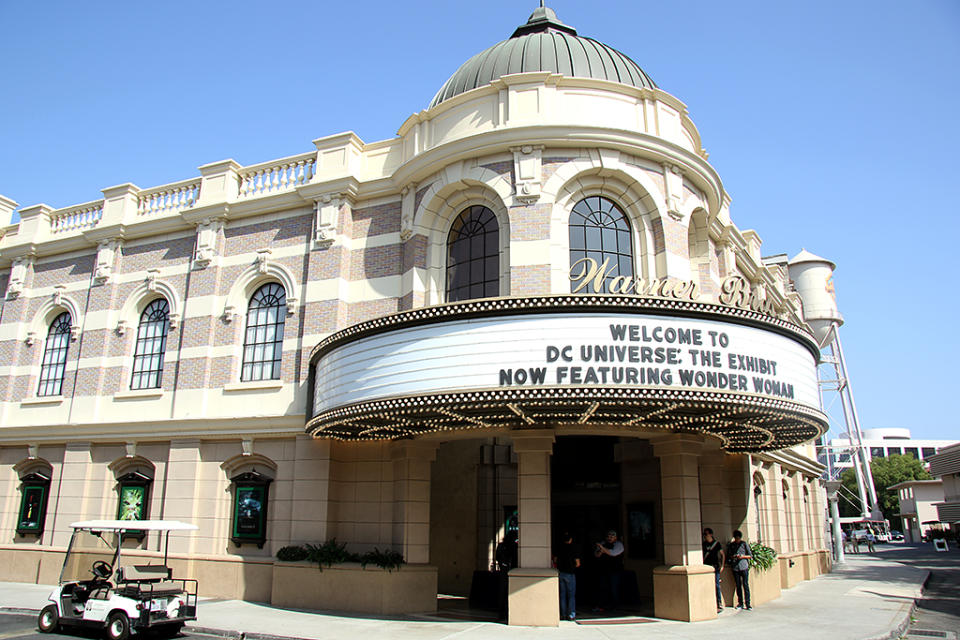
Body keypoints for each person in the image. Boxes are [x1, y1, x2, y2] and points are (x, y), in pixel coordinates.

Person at [593, 529, 624, 611]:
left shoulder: (619, 545)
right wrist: (600, 550)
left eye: (612, 536)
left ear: (616, 537)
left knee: (614, 589)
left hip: (615, 571)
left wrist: (603, 549)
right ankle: (602, 605)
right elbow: (597, 555)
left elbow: (613, 553)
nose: (610, 538)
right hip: (604, 570)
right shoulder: (603, 544)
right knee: (603, 588)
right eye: (608, 536)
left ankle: (615, 606)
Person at [553, 532, 580, 621]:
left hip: (561, 573)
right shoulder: (574, 548)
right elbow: (578, 563)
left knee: (562, 594)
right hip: (570, 573)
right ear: (571, 539)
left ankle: (563, 614)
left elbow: (555, 560)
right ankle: (571, 614)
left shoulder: (559, 548)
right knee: (571, 595)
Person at [495, 530, 518, 620]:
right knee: (509, 592)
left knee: (502, 592)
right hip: (510, 571)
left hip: (504, 571)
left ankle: (501, 612)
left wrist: (502, 564)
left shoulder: (501, 545)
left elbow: (497, 557)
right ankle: (507, 611)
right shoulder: (514, 547)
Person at [726, 530, 752, 610]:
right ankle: (740, 602)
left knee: (745, 584)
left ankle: (748, 603)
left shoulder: (744, 544)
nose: (737, 539)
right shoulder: (732, 545)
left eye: (738, 538)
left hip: (744, 566)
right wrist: (734, 556)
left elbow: (750, 555)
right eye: (736, 538)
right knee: (738, 585)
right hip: (735, 567)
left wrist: (742, 556)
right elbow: (729, 555)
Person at [702, 528, 726, 613]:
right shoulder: (704, 544)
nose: (705, 536)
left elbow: (722, 554)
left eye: (706, 534)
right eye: (704, 534)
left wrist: (722, 565)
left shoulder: (716, 544)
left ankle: (719, 603)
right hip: (706, 567)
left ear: (711, 534)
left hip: (715, 567)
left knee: (716, 585)